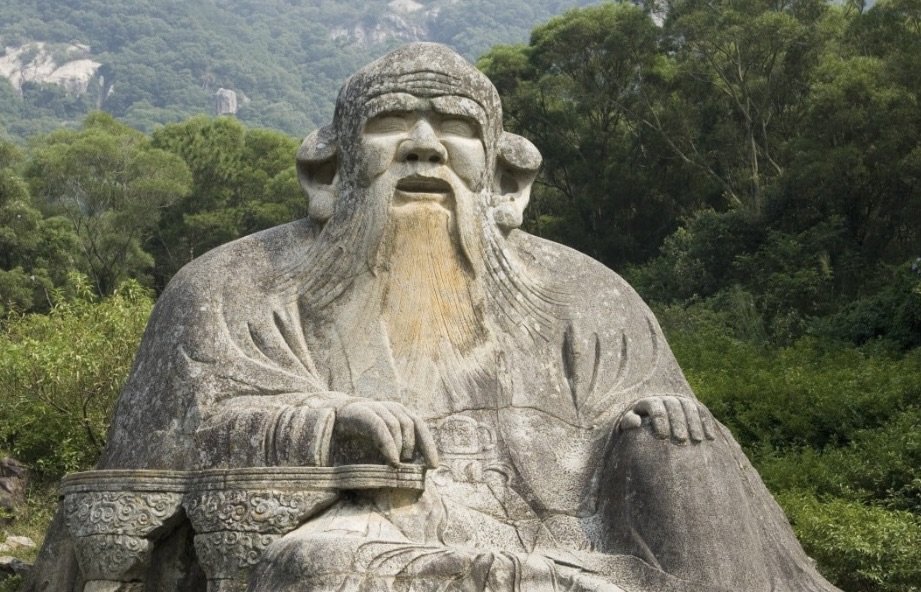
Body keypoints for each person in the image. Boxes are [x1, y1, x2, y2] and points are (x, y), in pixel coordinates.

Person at [28, 43, 841, 592]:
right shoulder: (231, 284)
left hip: (567, 542)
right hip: (362, 535)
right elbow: (166, 451)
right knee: (323, 569)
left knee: (689, 460)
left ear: (503, 181)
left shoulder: (585, 292)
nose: (424, 147)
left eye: (455, 128)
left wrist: (665, 420)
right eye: (391, 124)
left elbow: (644, 437)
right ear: (330, 170)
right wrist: (331, 421)